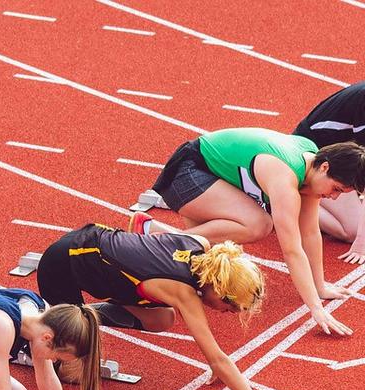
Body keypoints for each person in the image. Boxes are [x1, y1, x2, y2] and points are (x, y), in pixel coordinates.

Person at [36, 224, 301, 390]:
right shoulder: (182, 291)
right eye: (230, 307)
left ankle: (84, 317)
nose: (228, 314)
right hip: (62, 265)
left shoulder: (199, 245)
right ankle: (39, 326)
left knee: (162, 319)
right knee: (72, 370)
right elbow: (217, 357)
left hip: (89, 247)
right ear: (218, 290)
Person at [144, 129, 365, 333]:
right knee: (259, 225)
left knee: (204, 267)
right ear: (325, 167)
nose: (334, 197)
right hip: (185, 174)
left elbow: (310, 233)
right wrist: (316, 308)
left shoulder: (311, 165)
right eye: (335, 189)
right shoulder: (285, 176)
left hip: (210, 174)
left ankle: (156, 234)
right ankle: (157, 240)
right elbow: (291, 249)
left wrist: (319, 286)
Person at [294, 82, 365, 263]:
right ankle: (289, 201)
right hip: (315, 160)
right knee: (352, 228)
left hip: (345, 160)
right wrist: (361, 243)